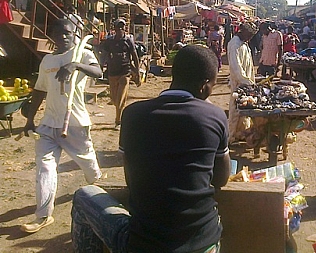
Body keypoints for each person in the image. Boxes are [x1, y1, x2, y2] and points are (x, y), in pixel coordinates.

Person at [70, 45, 231, 253]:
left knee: (84, 194)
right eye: (212, 86)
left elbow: (131, 179)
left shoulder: (132, 114)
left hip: (143, 244)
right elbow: (220, 179)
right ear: (203, 87)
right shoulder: (215, 116)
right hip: (204, 243)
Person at [20, 18, 103, 233]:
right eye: (58, 33)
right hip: (48, 124)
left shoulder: (82, 54)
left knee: (89, 166)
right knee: (45, 168)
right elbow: (40, 90)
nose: (63, 36)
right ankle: (43, 215)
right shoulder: (47, 61)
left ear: (75, 33)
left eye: (67, 32)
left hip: (75, 123)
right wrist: (30, 120)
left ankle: (95, 179)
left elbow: (98, 72)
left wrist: (75, 66)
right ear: (53, 36)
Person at [100, 18, 141, 129]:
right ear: (115, 29)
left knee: (120, 98)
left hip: (125, 71)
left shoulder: (128, 41)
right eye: (118, 27)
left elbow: (134, 56)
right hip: (112, 72)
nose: (120, 29)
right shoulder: (109, 41)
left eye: (122, 27)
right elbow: (104, 54)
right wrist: (100, 67)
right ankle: (118, 112)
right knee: (113, 98)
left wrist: (137, 72)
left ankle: (118, 121)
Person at [227, 21, 259, 142]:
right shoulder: (234, 44)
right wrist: (247, 82)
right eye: (249, 35)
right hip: (240, 84)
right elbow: (236, 68)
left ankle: (241, 133)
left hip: (246, 83)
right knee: (236, 111)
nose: (250, 38)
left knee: (245, 111)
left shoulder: (243, 43)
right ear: (242, 31)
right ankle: (231, 137)